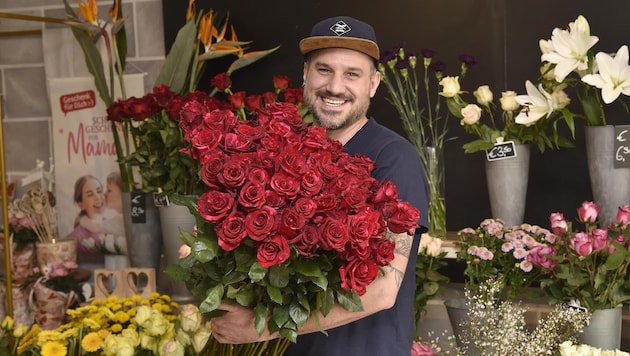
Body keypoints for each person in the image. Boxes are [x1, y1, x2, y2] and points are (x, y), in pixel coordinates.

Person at [210, 15, 429, 355]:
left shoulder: (395, 159)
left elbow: (384, 291)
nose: (335, 86)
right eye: (324, 70)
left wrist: (261, 326)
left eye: (352, 74)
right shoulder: (285, 149)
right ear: (305, 75)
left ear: (373, 84)